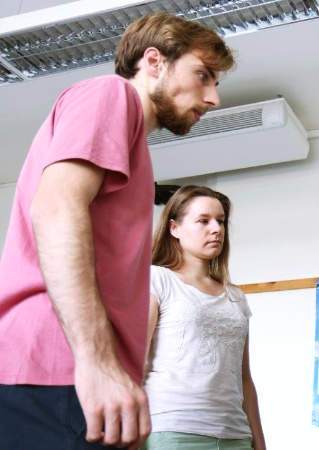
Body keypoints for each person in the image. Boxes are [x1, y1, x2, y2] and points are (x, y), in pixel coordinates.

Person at [0, 13, 234, 450]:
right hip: (53, 368)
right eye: (203, 75)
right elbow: (55, 207)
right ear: (154, 62)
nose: (213, 97)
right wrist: (97, 363)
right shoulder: (111, 95)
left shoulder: (137, 153)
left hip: (81, 378)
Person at [143, 185, 265, 449]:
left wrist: (259, 440)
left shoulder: (236, 297)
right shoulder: (157, 280)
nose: (216, 229)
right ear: (174, 228)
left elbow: (244, 378)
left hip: (236, 435)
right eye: (203, 221)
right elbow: (136, 363)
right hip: (174, 430)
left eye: (220, 221)